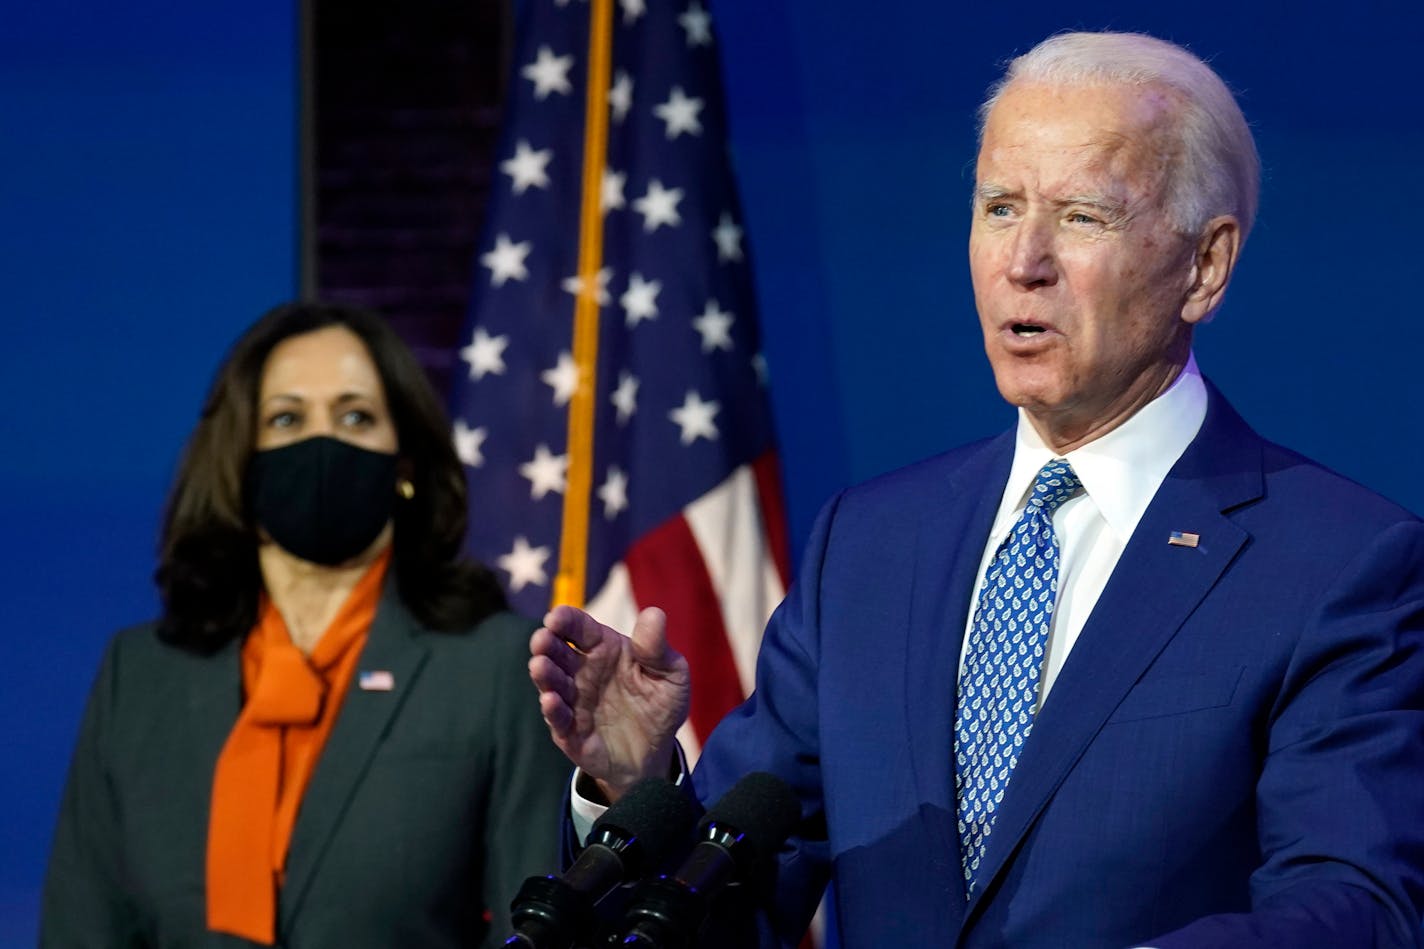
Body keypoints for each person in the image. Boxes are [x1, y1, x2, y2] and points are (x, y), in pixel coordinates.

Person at [529, 31, 1424, 948]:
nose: (1022, 260)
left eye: (1082, 216)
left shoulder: (1342, 564)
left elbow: (1356, 909)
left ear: (1205, 265)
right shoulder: (870, 547)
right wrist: (640, 788)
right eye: (999, 207)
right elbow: (739, 902)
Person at [42, 302, 573, 948]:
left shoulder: (495, 667)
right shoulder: (140, 674)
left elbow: (539, 931)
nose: (322, 444)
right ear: (240, 458)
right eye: (286, 418)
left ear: (404, 464)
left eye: (355, 416)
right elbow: (83, 926)